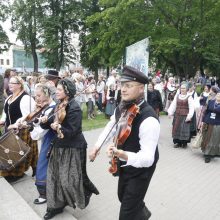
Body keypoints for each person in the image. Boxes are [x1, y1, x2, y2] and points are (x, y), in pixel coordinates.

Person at [89, 65, 160, 220]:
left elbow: (148, 158)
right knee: (123, 196)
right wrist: (97, 146)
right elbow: (111, 126)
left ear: (141, 88)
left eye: (128, 86)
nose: (123, 89)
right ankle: (142, 214)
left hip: (142, 170)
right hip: (125, 164)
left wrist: (123, 154)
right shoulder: (122, 107)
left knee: (127, 211)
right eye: (122, 85)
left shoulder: (149, 119)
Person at [40, 78, 99, 220]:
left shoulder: (74, 107)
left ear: (67, 91)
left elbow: (72, 131)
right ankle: (54, 206)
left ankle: (85, 190)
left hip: (73, 147)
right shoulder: (59, 105)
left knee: (69, 180)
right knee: (54, 178)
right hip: (59, 146)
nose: (56, 92)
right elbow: (51, 122)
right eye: (57, 89)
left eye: (59, 90)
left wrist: (60, 127)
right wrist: (44, 122)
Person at [0, 76, 38, 182]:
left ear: (19, 85)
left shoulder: (25, 98)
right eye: (10, 83)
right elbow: (5, 113)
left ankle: (18, 173)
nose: (10, 84)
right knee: (9, 153)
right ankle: (10, 172)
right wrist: (2, 121)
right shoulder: (9, 98)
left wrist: (16, 125)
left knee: (21, 153)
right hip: (9, 131)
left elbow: (28, 115)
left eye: (13, 83)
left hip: (21, 130)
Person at [28, 85, 56, 204]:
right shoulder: (46, 107)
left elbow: (38, 134)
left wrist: (31, 128)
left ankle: (44, 195)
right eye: (36, 95)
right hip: (48, 141)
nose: (36, 98)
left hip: (51, 142)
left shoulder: (51, 109)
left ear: (46, 94)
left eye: (39, 95)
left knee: (43, 166)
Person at [168, 82, 194, 148]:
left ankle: (184, 143)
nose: (182, 89)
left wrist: (189, 116)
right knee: (177, 128)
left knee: (184, 129)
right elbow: (173, 105)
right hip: (177, 115)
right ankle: (177, 142)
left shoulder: (189, 97)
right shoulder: (177, 96)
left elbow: (191, 107)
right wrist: (170, 112)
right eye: (181, 88)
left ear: (187, 89)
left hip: (185, 115)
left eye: (184, 88)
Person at [201, 91, 220, 163]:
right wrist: (203, 121)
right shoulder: (211, 102)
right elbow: (206, 112)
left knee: (213, 139)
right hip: (208, 122)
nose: (218, 96)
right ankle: (206, 152)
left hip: (217, 124)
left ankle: (209, 155)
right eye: (218, 94)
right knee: (206, 138)